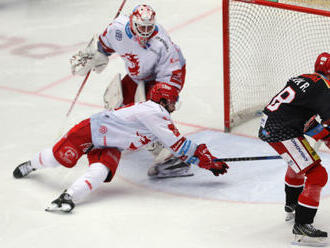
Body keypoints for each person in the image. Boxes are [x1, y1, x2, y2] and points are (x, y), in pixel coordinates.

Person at [13, 82, 229, 213]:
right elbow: (177, 143)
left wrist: (201, 159)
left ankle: (68, 198)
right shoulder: (154, 113)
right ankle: (30, 165)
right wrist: (203, 159)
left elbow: (173, 144)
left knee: (100, 171)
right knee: (55, 159)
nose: (174, 106)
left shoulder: (156, 115)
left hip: (111, 144)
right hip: (91, 131)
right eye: (172, 101)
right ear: (163, 101)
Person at [69, 4, 190, 178]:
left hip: (164, 77)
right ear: (133, 23)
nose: (146, 32)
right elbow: (103, 47)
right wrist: (92, 56)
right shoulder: (116, 29)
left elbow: (172, 72)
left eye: (150, 28)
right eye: (142, 27)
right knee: (116, 104)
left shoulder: (161, 43)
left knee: (147, 114)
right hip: (139, 74)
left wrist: (163, 99)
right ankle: (117, 137)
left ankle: (170, 157)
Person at [258, 52, 330, 245]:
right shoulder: (325, 89)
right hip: (283, 132)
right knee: (317, 174)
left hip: (272, 125)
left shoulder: (305, 78)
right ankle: (303, 226)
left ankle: (292, 204)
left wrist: (324, 136)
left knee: (301, 164)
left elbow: (304, 118)